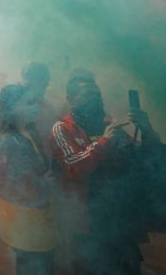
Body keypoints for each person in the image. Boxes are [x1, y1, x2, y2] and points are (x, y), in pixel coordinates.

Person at [49, 77, 139, 274]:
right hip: (86, 219)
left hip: (117, 215)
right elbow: (73, 167)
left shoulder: (107, 123)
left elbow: (135, 159)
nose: (95, 99)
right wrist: (104, 141)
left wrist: (144, 128)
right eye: (88, 95)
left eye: (97, 95)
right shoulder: (62, 128)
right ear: (70, 99)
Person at [0, 84, 56, 275]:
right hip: (26, 231)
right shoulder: (9, 141)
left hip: (38, 228)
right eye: (29, 103)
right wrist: (43, 188)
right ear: (12, 108)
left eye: (35, 102)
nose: (35, 107)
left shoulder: (29, 133)